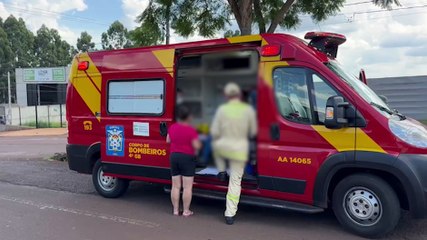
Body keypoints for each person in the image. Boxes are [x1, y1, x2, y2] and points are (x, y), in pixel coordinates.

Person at [210, 82, 257, 225]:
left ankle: (222, 170)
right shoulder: (247, 110)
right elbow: (253, 131)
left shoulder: (222, 110)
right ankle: (229, 214)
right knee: (235, 182)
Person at [167, 105, 202, 217]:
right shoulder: (191, 130)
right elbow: (196, 145)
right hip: (187, 158)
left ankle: (176, 210)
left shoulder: (172, 127)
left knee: (175, 186)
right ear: (189, 117)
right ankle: (186, 211)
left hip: (174, 156)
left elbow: (168, 140)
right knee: (187, 187)